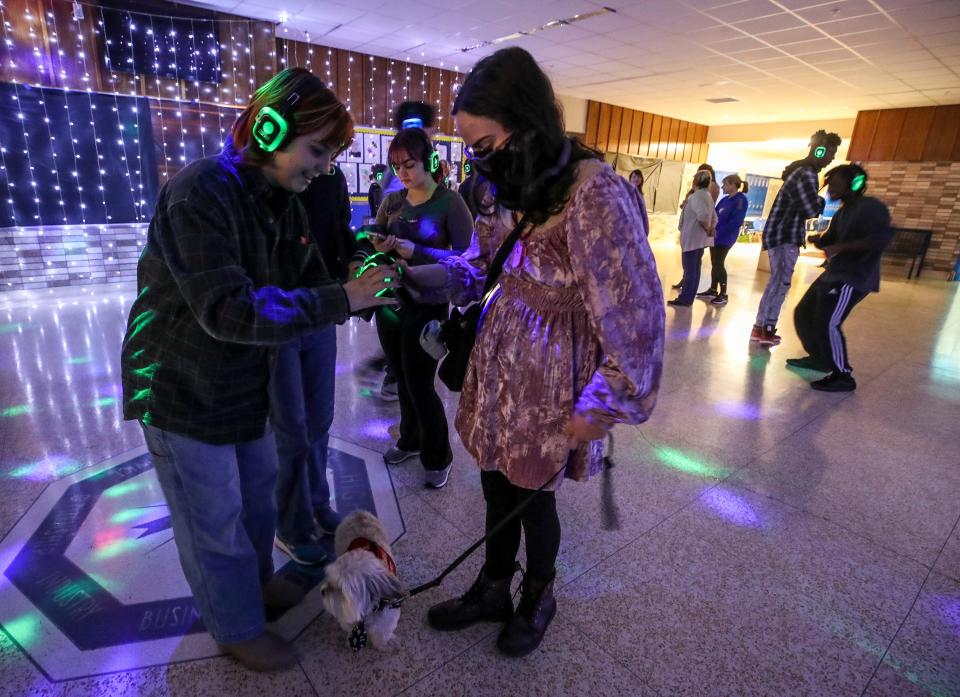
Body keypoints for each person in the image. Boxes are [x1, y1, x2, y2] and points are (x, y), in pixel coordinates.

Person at [119, 68, 398, 672]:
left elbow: (304, 279)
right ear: (268, 129)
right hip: (181, 390)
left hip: (243, 385)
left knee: (256, 507)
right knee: (212, 520)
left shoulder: (282, 199)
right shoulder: (200, 193)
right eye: (317, 150)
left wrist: (370, 278)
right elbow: (228, 309)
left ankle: (254, 589)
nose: (324, 167)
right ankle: (235, 626)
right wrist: (343, 298)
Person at [403, 47, 664, 657]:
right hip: (502, 349)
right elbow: (487, 264)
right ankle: (494, 584)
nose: (478, 162)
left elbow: (636, 318)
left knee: (531, 491)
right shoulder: (505, 181)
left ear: (525, 123)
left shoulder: (596, 193)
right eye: (469, 148)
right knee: (495, 475)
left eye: (486, 145)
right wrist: (423, 270)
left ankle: (538, 593)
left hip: (556, 365)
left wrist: (599, 404)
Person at [370, 127, 474, 488]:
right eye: (397, 165)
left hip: (429, 306)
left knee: (420, 383)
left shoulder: (450, 202)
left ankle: (438, 454)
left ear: (428, 161)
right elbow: (373, 240)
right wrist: (378, 245)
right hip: (391, 301)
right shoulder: (393, 201)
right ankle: (410, 440)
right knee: (400, 377)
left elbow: (466, 258)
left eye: (410, 164)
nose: (403, 172)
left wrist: (417, 252)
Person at [270, 159, 360, 566]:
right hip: (279, 314)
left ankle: (317, 501)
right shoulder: (267, 174)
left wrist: (357, 255)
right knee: (290, 426)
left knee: (320, 417)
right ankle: (290, 523)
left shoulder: (332, 175)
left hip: (322, 307)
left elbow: (339, 229)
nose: (324, 160)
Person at [787, 164, 892, 392]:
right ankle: (820, 358)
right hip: (834, 273)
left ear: (854, 184)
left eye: (835, 183)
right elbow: (831, 239)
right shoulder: (843, 212)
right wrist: (820, 240)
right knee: (803, 313)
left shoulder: (871, 207)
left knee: (828, 322)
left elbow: (881, 238)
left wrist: (840, 246)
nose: (830, 188)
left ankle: (842, 374)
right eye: (829, 183)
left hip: (853, 278)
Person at [751, 130, 840, 346]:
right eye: (830, 152)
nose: (831, 158)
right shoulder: (806, 174)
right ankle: (767, 329)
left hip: (782, 235)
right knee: (781, 282)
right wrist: (820, 200)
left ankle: (760, 328)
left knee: (776, 282)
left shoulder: (802, 171)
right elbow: (810, 209)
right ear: (819, 150)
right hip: (785, 236)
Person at [697, 174, 748, 306]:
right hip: (715, 236)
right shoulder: (724, 200)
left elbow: (736, 221)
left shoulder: (740, 200)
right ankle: (713, 289)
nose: (722, 187)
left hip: (725, 238)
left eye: (725, 184)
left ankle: (723, 293)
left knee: (719, 263)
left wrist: (718, 232)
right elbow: (715, 214)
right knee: (715, 262)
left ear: (732, 185)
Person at [668, 170, 717, 307]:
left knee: (690, 269)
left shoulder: (697, 197)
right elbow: (714, 216)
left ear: (695, 181)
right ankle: (689, 297)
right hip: (699, 240)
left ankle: (685, 298)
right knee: (695, 269)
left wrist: (708, 228)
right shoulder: (707, 195)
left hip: (693, 238)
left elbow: (702, 216)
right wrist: (711, 228)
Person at [628, 168, 650, 237]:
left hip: (639, 221)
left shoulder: (640, 193)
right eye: (634, 177)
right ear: (630, 179)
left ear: (641, 180)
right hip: (630, 221)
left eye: (639, 177)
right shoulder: (627, 191)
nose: (636, 179)